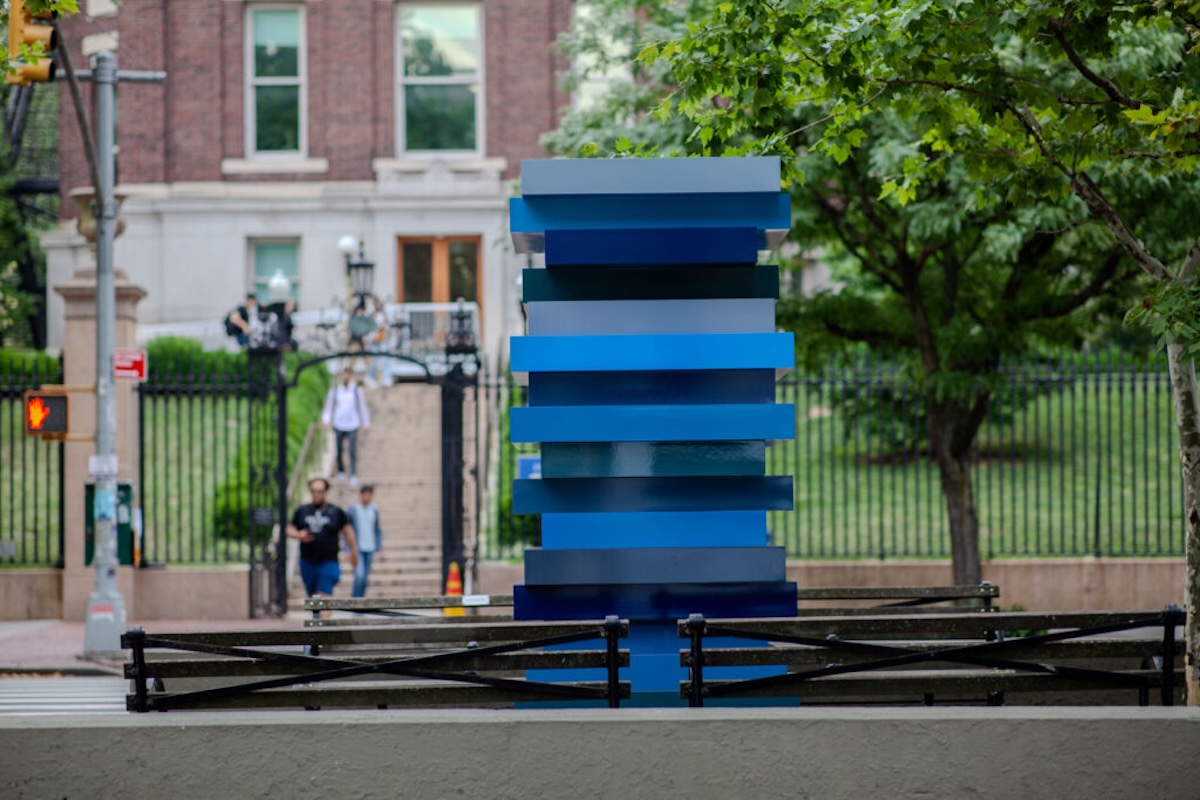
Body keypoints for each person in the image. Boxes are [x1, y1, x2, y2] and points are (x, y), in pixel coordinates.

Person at [286, 477, 358, 599]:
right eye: (313, 491)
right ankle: (319, 617)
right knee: (313, 597)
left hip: (328, 561)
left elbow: (348, 532)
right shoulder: (302, 511)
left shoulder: (336, 511)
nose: (316, 494)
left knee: (324, 596)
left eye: (319, 491)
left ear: (325, 492)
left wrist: (353, 552)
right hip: (307, 561)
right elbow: (289, 529)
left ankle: (322, 618)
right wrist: (298, 535)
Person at [321, 368, 371, 488]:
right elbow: (329, 406)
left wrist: (366, 423)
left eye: (347, 375)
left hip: (352, 424)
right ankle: (341, 471)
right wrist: (326, 419)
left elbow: (362, 407)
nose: (345, 377)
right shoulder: (336, 391)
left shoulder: (356, 391)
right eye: (343, 375)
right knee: (339, 449)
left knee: (352, 450)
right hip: (339, 424)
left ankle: (353, 474)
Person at [347, 484, 382, 598]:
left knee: (365, 577)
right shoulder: (353, 509)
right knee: (359, 575)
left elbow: (377, 529)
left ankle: (361, 602)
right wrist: (348, 549)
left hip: (370, 547)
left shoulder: (374, 509)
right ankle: (354, 602)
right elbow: (347, 530)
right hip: (357, 548)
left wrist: (379, 547)